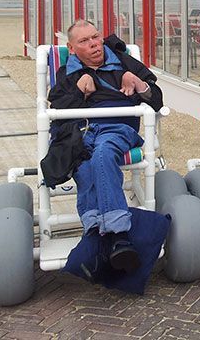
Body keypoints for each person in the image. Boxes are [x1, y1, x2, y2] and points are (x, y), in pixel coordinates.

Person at [47, 19, 164, 272]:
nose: (94, 44)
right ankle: (102, 236)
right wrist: (78, 92)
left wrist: (138, 83)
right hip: (81, 131)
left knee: (102, 154)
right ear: (71, 48)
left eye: (95, 37)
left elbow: (156, 100)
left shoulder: (124, 61)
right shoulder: (67, 73)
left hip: (117, 127)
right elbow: (55, 110)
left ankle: (116, 234)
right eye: (84, 41)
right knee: (83, 164)